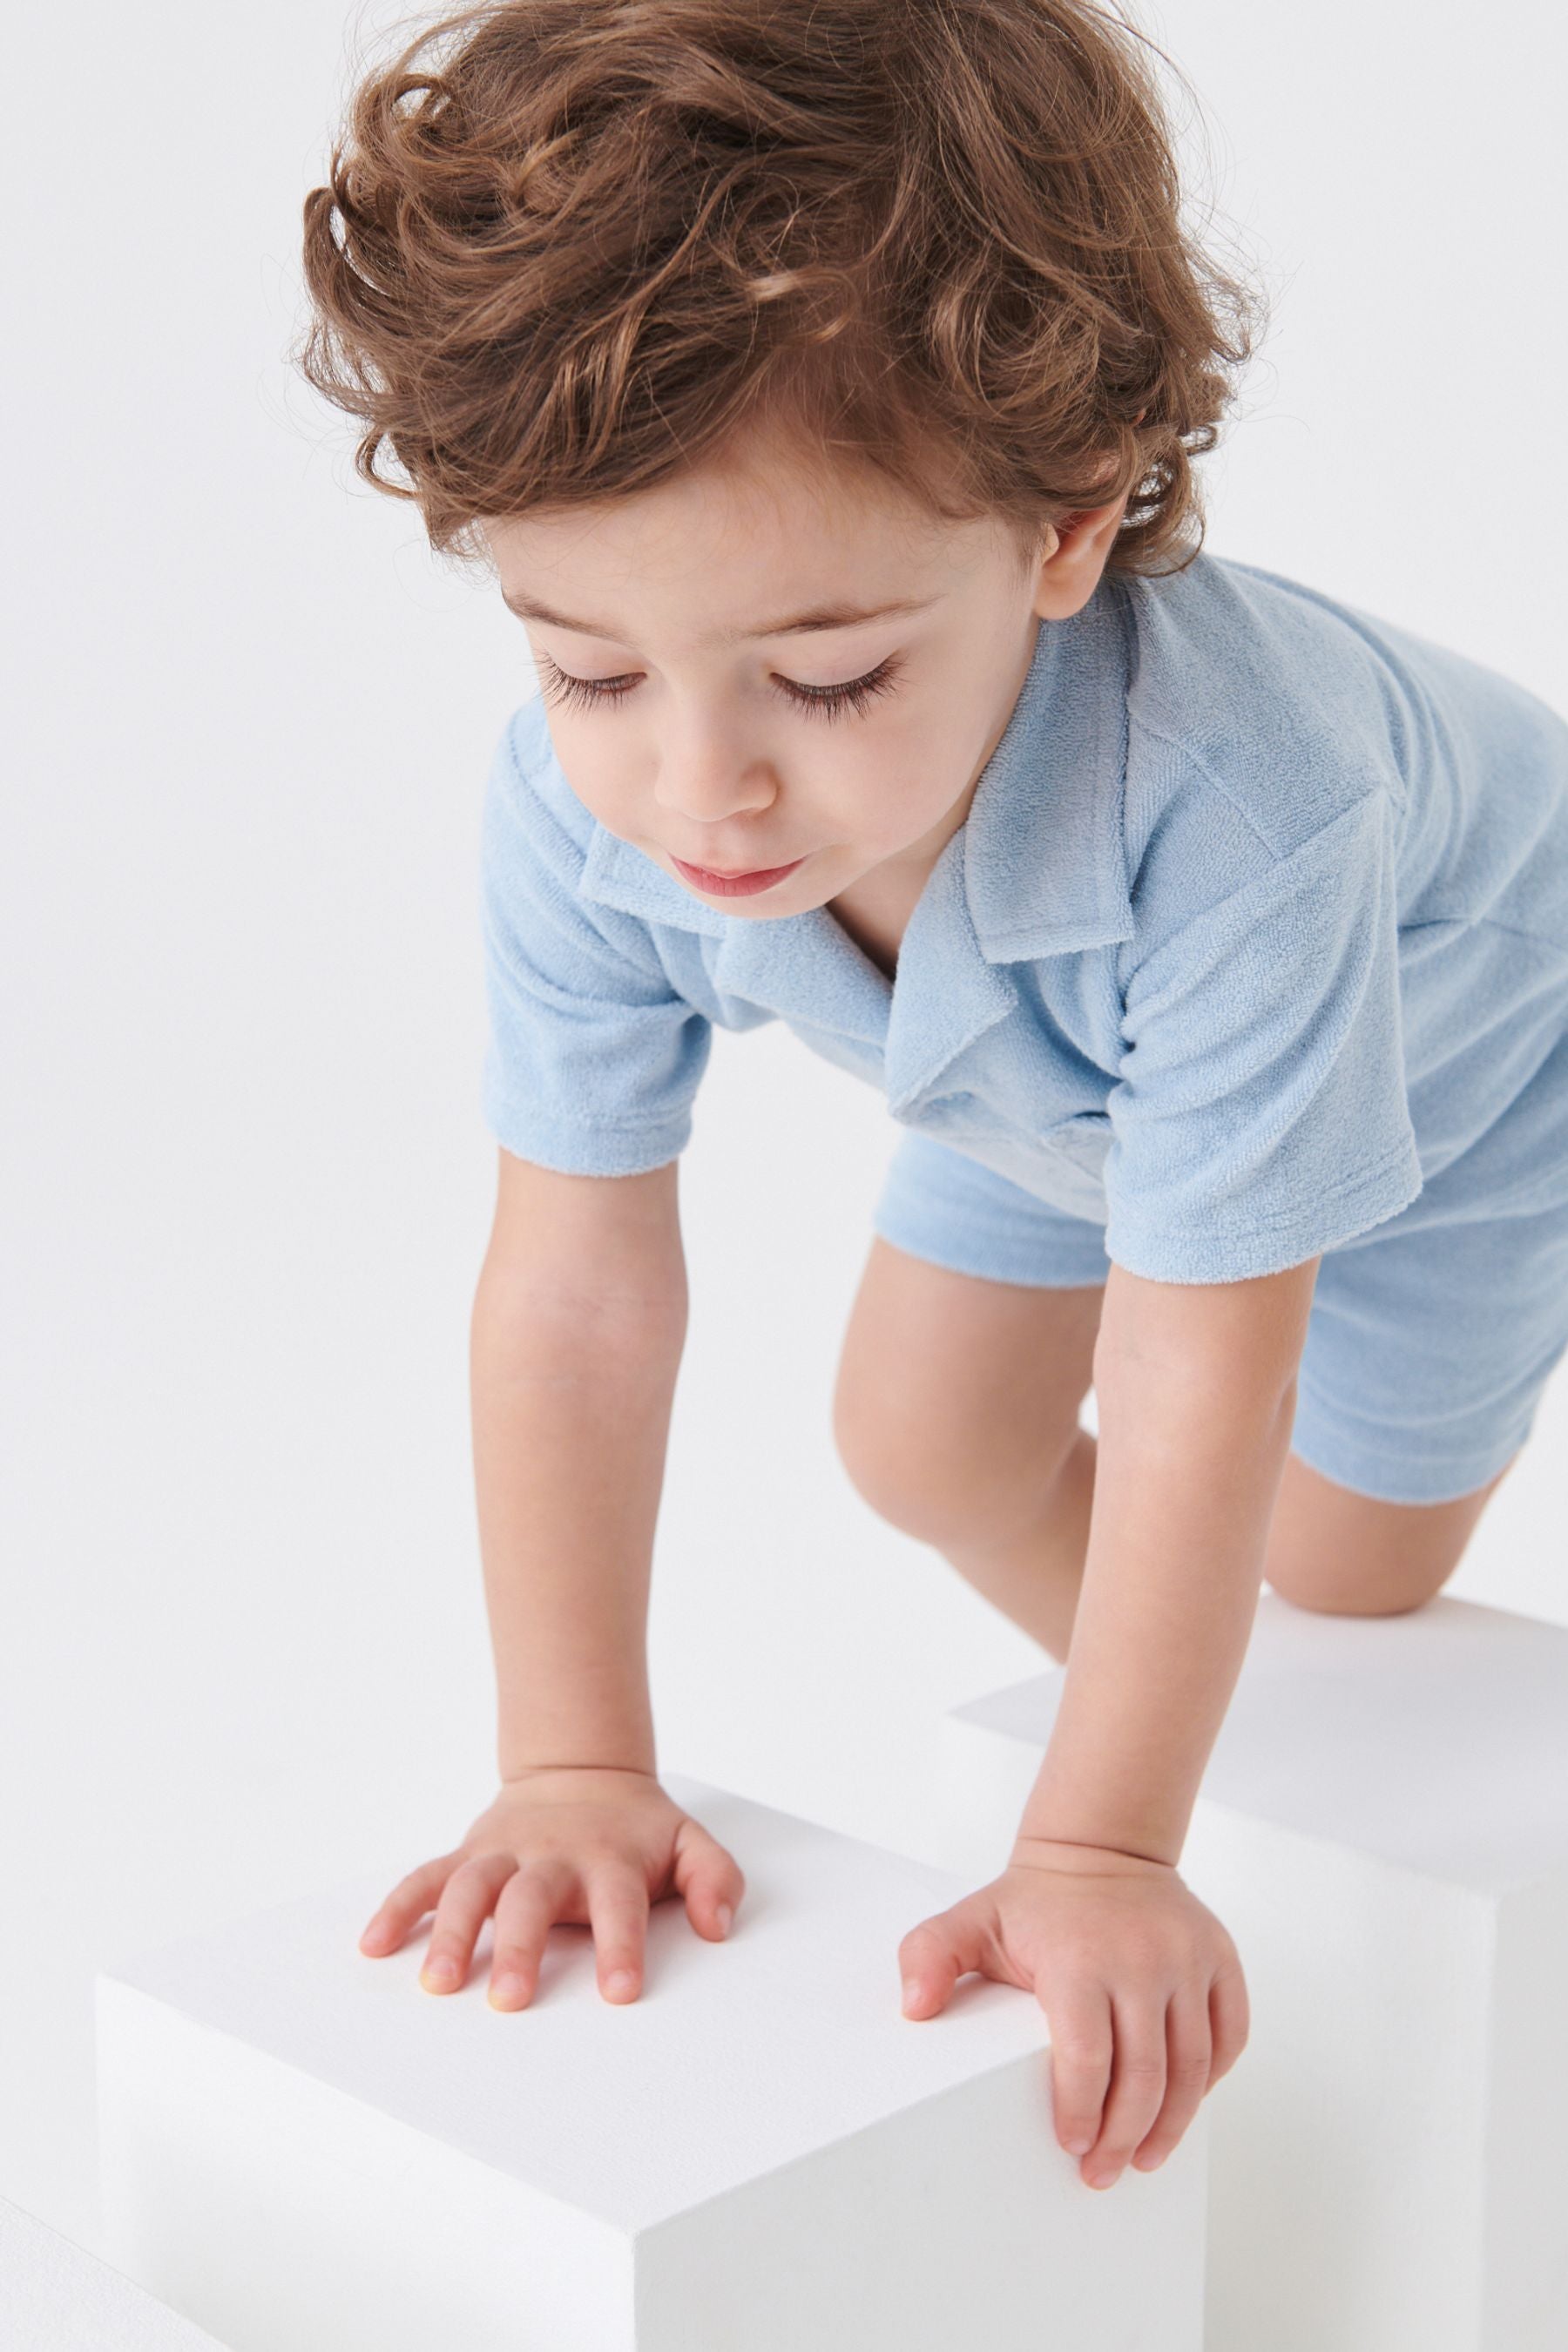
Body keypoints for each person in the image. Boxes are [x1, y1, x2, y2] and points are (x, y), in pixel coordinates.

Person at [293, 0, 1568, 2195]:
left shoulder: (1238, 805)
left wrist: (1098, 1842)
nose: (699, 788)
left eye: (828, 674)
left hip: (1477, 1049)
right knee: (918, 1442)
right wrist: (575, 1756)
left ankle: (1211, 1719)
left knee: (1346, 1582)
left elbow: (1199, 1344)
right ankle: (1207, 1702)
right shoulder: (590, 815)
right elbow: (578, 1290)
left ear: (1064, 533)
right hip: (1053, 1076)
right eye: (589, 664)